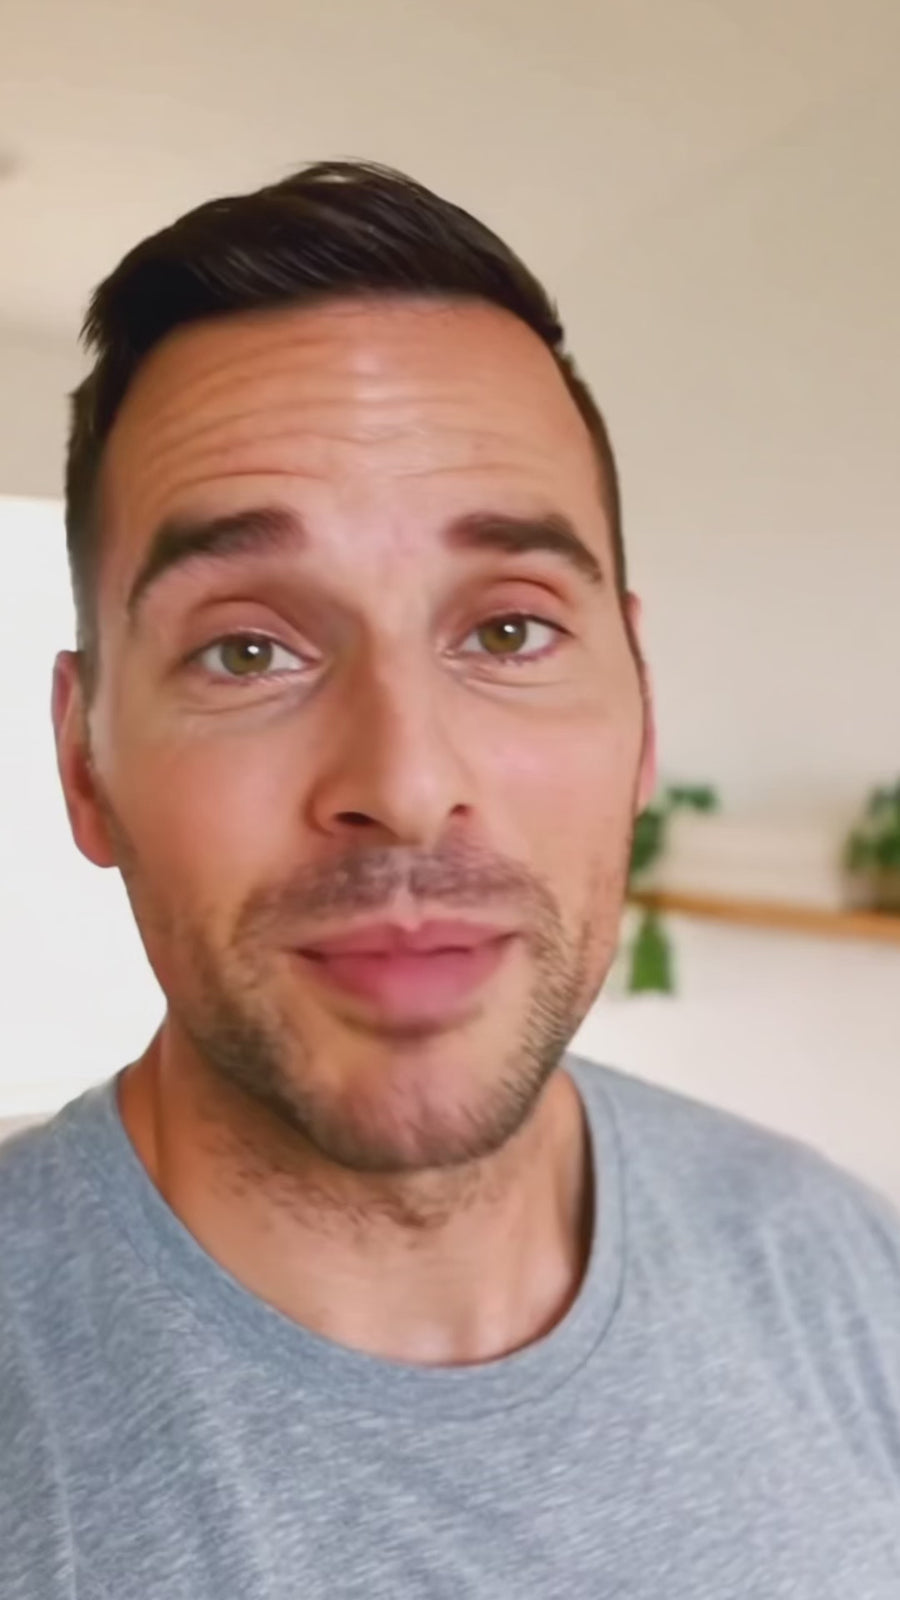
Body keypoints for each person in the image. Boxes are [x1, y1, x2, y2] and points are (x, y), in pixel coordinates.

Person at [1, 161, 898, 1599]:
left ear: (643, 720)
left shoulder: (842, 1267)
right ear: (84, 763)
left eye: (509, 631)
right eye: (246, 650)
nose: (408, 782)